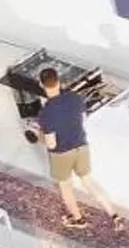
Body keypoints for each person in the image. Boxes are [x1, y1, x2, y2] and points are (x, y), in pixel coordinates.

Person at [32, 67, 124, 230]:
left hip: (62, 154)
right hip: (81, 146)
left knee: (66, 187)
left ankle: (78, 219)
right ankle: (114, 215)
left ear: (41, 84)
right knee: (88, 181)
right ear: (58, 81)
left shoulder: (45, 113)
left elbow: (52, 144)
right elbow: (82, 118)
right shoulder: (75, 98)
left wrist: (37, 135)